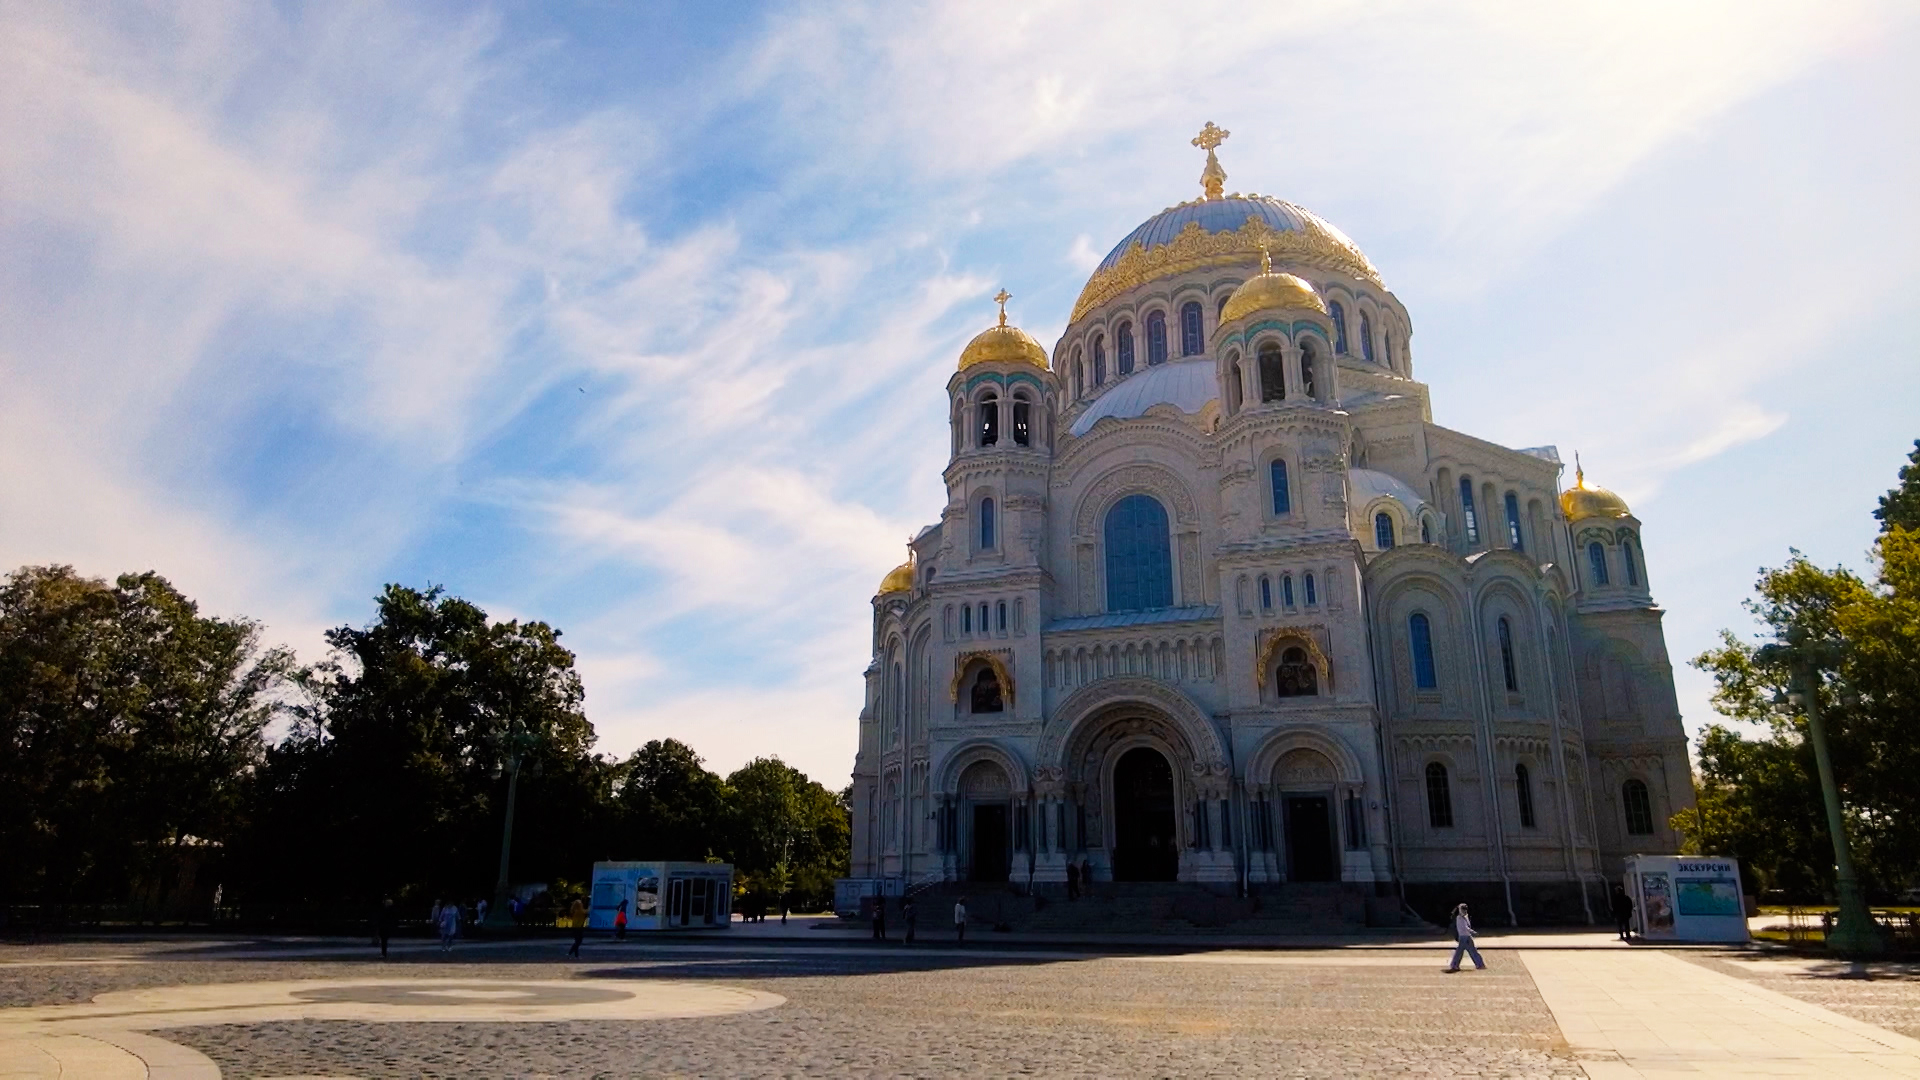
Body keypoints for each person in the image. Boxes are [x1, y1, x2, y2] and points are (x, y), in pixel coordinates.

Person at [1445, 903, 1485, 972]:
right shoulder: (1459, 918)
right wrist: (1473, 932)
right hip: (1463, 937)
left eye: (1465, 909)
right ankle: (1455, 965)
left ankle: (1479, 964)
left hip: (1467, 936)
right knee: (1462, 952)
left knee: (1469, 951)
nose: (1464, 911)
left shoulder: (1465, 917)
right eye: (1463, 909)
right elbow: (1465, 928)